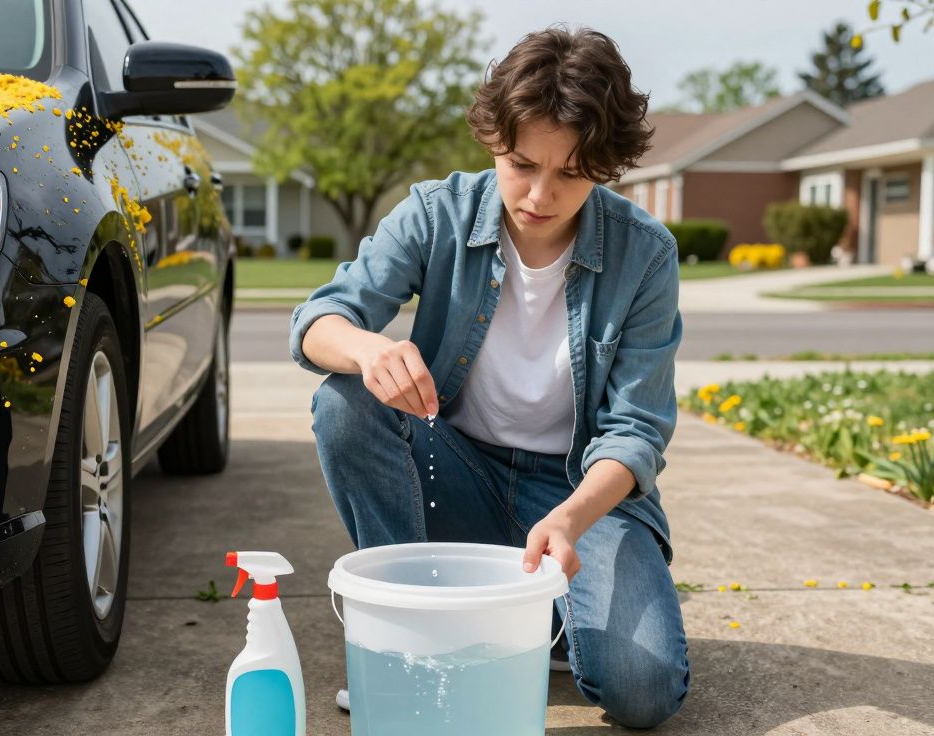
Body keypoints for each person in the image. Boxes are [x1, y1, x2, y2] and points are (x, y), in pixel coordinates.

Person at [289, 25, 690, 729]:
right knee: (345, 401)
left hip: (577, 499)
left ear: (606, 166)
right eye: (522, 164)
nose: (539, 194)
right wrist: (366, 349)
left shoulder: (645, 255)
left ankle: (538, 618)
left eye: (569, 173)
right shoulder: (435, 214)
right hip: (456, 471)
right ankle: (410, 643)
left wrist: (569, 521)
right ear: (492, 141)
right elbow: (320, 318)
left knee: (642, 691)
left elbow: (636, 431)